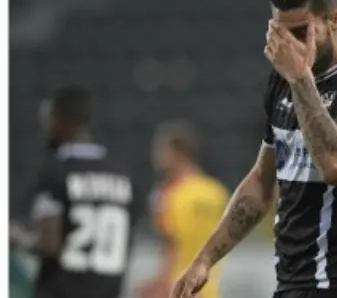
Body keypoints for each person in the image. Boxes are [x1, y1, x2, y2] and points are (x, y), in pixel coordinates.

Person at [169, 0, 337, 298]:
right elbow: (262, 182)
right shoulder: (283, 80)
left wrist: (300, 79)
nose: (290, 45)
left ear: (335, 20)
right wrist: (204, 260)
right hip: (293, 283)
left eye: (301, 32)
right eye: (281, 32)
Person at [10, 87, 135, 298]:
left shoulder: (56, 171)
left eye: (48, 119)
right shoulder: (122, 175)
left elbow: (50, 245)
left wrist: (17, 238)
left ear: (61, 120)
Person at [138, 122, 229, 298]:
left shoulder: (168, 194)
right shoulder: (217, 192)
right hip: (210, 289)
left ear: (176, 153)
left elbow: (170, 246)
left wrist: (160, 285)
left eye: (161, 150)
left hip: (178, 288)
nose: (156, 157)